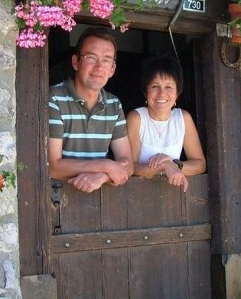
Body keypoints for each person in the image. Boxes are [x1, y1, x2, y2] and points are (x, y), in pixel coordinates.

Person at [48, 27, 134, 193]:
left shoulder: (114, 104)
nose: (99, 67)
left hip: (102, 200)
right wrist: (105, 165)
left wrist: (103, 176)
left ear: (112, 69)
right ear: (76, 62)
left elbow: (128, 164)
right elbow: (54, 167)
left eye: (106, 60)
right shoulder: (54, 98)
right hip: (58, 200)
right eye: (91, 57)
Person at [126, 55, 206, 192]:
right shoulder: (136, 118)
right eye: (155, 86)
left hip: (173, 196)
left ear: (177, 93)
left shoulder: (183, 118)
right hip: (136, 193)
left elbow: (200, 164)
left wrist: (173, 164)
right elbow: (130, 167)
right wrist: (164, 166)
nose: (162, 94)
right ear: (146, 92)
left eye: (169, 87)